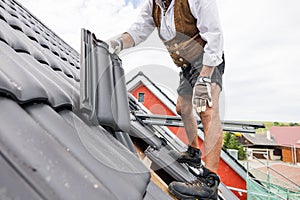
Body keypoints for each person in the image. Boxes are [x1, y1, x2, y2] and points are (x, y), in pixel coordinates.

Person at [110, 0, 225, 199]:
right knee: (182, 108)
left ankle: (209, 182)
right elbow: (137, 31)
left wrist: (205, 77)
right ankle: (193, 153)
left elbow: (215, 37)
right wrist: (117, 43)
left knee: (206, 110)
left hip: (207, 60)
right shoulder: (153, 6)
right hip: (186, 65)